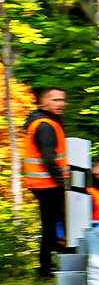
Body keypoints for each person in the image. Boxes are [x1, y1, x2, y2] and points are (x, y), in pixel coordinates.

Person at [18, 87, 68, 274]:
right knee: (53, 223)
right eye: (55, 100)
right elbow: (48, 157)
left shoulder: (44, 121)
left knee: (54, 222)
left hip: (43, 183)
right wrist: (61, 181)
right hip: (47, 184)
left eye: (62, 100)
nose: (60, 104)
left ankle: (52, 262)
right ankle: (47, 266)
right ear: (43, 102)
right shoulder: (45, 125)